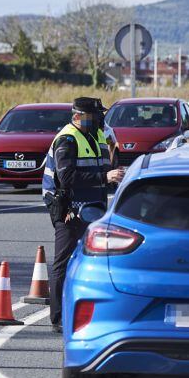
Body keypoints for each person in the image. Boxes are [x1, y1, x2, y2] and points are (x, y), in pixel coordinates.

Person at [42, 97, 125, 332]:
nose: (99, 119)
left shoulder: (96, 135)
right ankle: (58, 318)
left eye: (100, 116)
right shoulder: (67, 139)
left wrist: (115, 174)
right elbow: (66, 178)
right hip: (69, 209)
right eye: (94, 116)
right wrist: (104, 177)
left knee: (93, 261)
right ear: (78, 116)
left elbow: (101, 168)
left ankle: (91, 314)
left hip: (93, 208)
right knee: (64, 261)